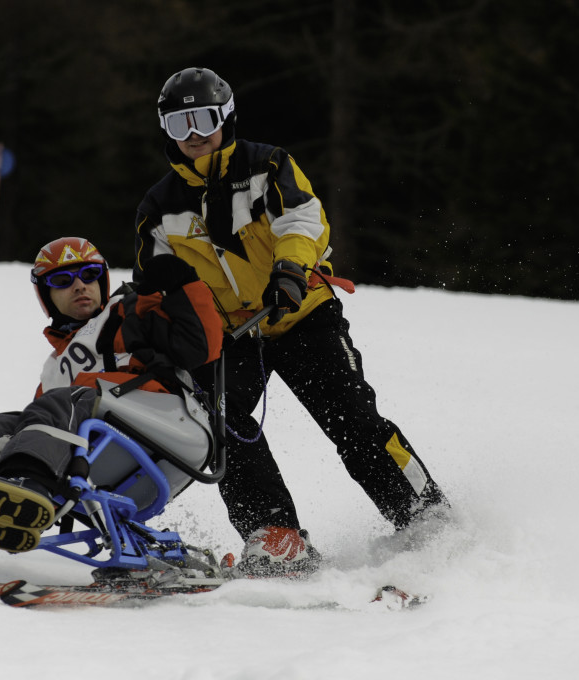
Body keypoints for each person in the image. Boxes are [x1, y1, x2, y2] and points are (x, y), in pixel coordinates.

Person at [134, 67, 449, 577]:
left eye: (203, 121)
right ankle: (275, 534)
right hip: (232, 334)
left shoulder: (267, 165)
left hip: (300, 312)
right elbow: (156, 286)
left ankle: (426, 518)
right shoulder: (160, 207)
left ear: (226, 119)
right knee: (217, 421)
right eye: (178, 125)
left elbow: (304, 221)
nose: (193, 136)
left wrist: (290, 270)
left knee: (352, 419)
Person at [0, 236, 223, 553]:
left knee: (70, 399)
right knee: (9, 422)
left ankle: (29, 484)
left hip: (170, 423)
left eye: (89, 275)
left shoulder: (130, 309)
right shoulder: (53, 371)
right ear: (46, 296)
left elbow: (202, 348)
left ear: (102, 281)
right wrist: (8, 443)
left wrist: (183, 284)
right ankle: (0, 501)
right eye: (63, 280)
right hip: (106, 453)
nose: (79, 286)